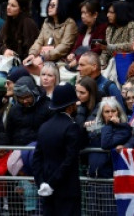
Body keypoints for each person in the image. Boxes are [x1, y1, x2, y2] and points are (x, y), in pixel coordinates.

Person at [32, 84, 84, 216]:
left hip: (47, 190)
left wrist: (42, 183)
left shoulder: (44, 126)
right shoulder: (71, 127)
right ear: (70, 106)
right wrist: (52, 183)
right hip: (66, 190)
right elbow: (69, 160)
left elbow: (37, 158)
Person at [26, 0, 77, 65]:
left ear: (61, 7)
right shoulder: (47, 22)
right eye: (49, 5)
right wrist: (33, 54)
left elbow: (65, 46)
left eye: (53, 5)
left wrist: (44, 57)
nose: (49, 7)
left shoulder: (69, 23)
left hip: (59, 61)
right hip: (42, 58)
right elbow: (39, 41)